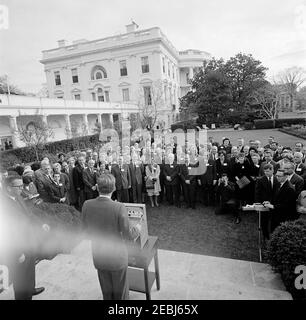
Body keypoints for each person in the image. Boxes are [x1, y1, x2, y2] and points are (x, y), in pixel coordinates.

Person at [82, 174, 140, 300]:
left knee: (106, 292)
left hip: (99, 256)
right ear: (114, 188)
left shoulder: (87, 204)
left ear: (97, 188)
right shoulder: (119, 207)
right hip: (117, 257)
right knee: (121, 293)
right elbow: (129, 235)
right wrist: (138, 229)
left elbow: (85, 229)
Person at [1, 175, 49, 299]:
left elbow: (28, 214)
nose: (22, 189)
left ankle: (30, 289)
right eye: (19, 186)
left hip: (29, 241)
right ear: (9, 188)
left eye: (22, 185)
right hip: (18, 248)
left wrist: (41, 224)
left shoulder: (18, 197)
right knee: (21, 276)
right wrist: (18, 253)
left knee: (29, 268)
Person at [254, 164, 279, 241]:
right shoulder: (260, 180)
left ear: (272, 170)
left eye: (268, 171)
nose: (266, 173)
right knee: (264, 221)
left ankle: (273, 235)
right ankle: (265, 235)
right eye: (265, 171)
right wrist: (258, 204)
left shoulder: (277, 179)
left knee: (274, 221)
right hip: (263, 204)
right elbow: (257, 193)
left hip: (274, 204)